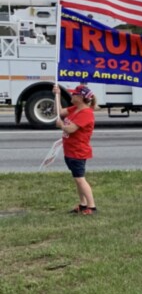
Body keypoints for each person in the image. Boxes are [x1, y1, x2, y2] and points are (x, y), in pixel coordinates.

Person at [54, 84, 97, 215]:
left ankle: (92, 206)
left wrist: (61, 124)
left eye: (74, 94)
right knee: (77, 178)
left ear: (80, 97)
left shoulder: (86, 113)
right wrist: (57, 95)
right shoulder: (75, 109)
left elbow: (71, 129)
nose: (72, 95)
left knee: (80, 178)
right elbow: (60, 112)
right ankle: (83, 204)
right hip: (70, 150)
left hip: (78, 151)